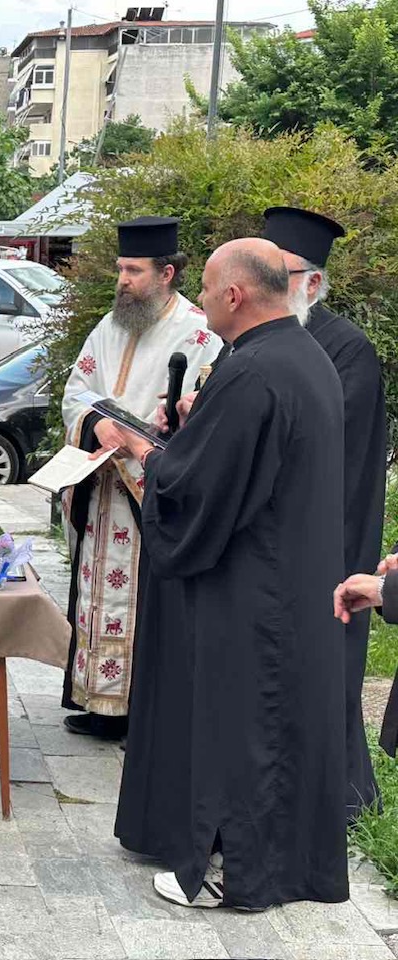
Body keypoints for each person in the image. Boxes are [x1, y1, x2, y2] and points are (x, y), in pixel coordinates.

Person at [110, 238, 348, 910]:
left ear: (236, 295)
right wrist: (200, 424)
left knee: (245, 725)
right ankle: (285, 867)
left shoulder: (251, 371)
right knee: (276, 725)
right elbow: (246, 452)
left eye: (209, 289)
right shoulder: (303, 355)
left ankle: (231, 874)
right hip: (294, 574)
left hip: (253, 585)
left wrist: (147, 452)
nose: (202, 300)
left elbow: (200, 485)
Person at [59, 217, 220, 740]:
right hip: (103, 486)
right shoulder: (109, 327)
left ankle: (142, 712)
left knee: (145, 601)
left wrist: (140, 439)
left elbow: (203, 413)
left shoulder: (199, 332)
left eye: (134, 270)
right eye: (120, 269)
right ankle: (98, 702)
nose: (122, 280)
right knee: (95, 591)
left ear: (166, 273)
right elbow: (76, 392)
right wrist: (96, 424)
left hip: (151, 489)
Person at [265, 207, 383, 818]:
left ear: (312, 282)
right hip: (269, 538)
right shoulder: (255, 339)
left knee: (320, 670)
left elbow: (332, 451)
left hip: (328, 539)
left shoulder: (348, 349)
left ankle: (337, 798)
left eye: (280, 275)